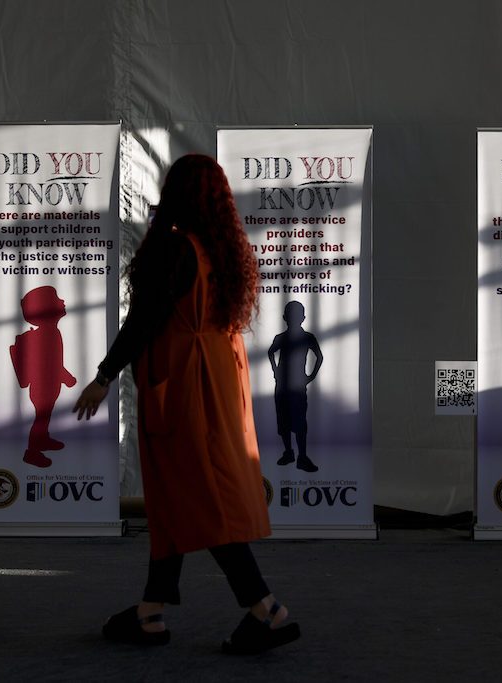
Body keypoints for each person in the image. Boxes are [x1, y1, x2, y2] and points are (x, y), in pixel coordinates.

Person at [73, 154, 299, 654]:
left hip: (184, 386)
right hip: (215, 380)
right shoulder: (222, 249)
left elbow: (147, 319)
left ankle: (267, 610)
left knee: (202, 496)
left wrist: (103, 376)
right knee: (181, 496)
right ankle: (150, 613)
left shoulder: (176, 247)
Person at [10, 286, 77, 468]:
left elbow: (53, 361)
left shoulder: (52, 332)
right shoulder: (48, 334)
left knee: (44, 417)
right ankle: (32, 452)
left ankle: (43, 440)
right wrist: (67, 377)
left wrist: (63, 377)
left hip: (49, 385)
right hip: (43, 388)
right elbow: (51, 362)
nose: (62, 301)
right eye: (57, 300)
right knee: (41, 419)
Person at [268, 300, 323, 473]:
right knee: (284, 420)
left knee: (299, 422)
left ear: (303, 318)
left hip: (297, 386)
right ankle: (290, 453)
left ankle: (301, 456)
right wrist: (276, 370)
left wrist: (310, 377)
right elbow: (270, 352)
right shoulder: (281, 337)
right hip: (284, 386)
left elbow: (319, 357)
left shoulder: (307, 337)